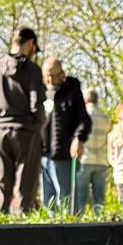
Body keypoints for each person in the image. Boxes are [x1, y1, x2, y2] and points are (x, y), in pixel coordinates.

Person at [0, 26, 45, 215]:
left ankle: (0, 220)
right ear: (31, 44)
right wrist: (40, 124)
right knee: (26, 180)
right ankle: (23, 222)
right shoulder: (33, 70)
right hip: (27, 131)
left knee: (2, 178)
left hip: (2, 131)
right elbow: (35, 106)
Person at [40, 58, 92, 215]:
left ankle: (72, 230)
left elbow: (84, 120)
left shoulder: (72, 91)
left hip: (62, 153)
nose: (51, 80)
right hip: (42, 154)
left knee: (66, 198)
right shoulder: (41, 92)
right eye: (47, 75)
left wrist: (78, 138)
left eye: (54, 75)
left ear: (62, 74)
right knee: (48, 200)